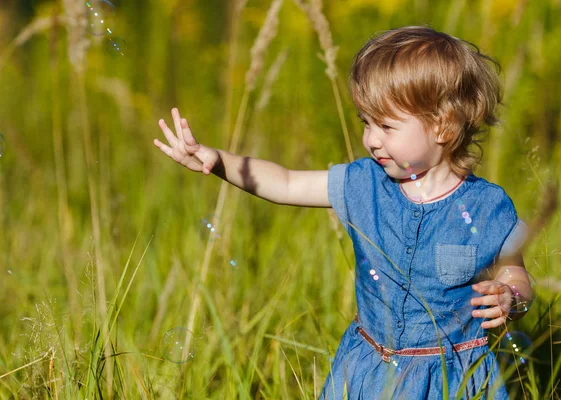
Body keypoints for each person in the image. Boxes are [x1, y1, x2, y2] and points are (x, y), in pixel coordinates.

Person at [154, 26, 533, 400]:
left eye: (386, 125)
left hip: (451, 378)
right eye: (365, 123)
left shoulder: (488, 208)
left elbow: (514, 273)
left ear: (443, 126)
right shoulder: (362, 184)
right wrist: (216, 159)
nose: (371, 139)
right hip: (368, 370)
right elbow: (284, 183)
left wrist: (510, 298)